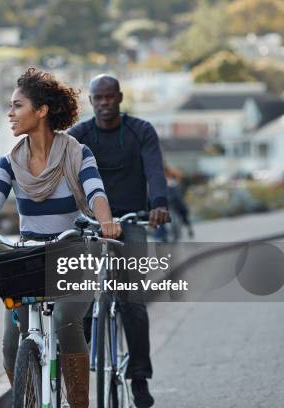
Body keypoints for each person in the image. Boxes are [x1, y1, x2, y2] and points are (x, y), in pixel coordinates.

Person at [0, 67, 121, 408]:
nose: (10, 114)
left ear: (41, 111)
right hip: (29, 257)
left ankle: (78, 404)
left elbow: (96, 193)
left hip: (73, 250)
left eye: (17, 106)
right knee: (12, 346)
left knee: (65, 319)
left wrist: (106, 222)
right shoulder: (10, 162)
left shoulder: (77, 153)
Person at [68, 74, 169, 408]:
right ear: (91, 100)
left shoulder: (141, 131)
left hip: (131, 220)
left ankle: (139, 378)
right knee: (79, 300)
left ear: (120, 98)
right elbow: (64, 175)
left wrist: (158, 204)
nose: (104, 103)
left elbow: (154, 170)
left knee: (133, 302)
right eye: (98, 98)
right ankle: (75, 372)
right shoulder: (80, 135)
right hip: (92, 223)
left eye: (109, 97)